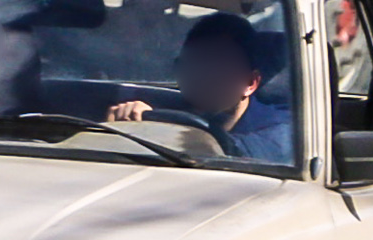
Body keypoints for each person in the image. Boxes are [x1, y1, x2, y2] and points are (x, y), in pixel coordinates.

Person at [106, 12, 291, 162]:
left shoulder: (281, 130)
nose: (203, 76)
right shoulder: (164, 108)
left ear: (250, 83)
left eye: (218, 67)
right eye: (193, 65)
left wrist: (160, 127)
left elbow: (237, 153)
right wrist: (132, 123)